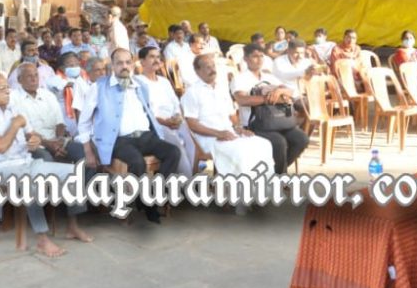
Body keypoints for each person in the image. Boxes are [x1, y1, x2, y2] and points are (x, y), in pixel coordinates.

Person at [0, 72, 91, 256]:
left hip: (26, 162)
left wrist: (34, 140)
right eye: (2, 88)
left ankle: (72, 226)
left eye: (7, 87)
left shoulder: (13, 109)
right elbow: (1, 147)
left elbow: (31, 134)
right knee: (31, 185)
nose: (7, 91)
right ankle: (42, 240)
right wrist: (15, 125)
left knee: (74, 172)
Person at [76, 48, 181, 224]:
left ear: (132, 64)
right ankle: (147, 204)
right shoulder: (98, 87)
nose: (124, 66)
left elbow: (149, 112)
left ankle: (152, 196)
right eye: (119, 63)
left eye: (127, 62)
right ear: (112, 65)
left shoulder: (140, 85)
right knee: (137, 162)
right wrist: (88, 150)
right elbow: (84, 121)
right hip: (119, 140)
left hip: (146, 136)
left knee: (173, 152)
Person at [181, 54, 275, 215]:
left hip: (229, 133)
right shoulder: (192, 93)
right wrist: (218, 133)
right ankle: (241, 201)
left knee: (263, 144)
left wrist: (239, 128)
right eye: (207, 67)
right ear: (197, 71)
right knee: (241, 153)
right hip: (208, 137)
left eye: (213, 66)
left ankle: (260, 193)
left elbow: (232, 115)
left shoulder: (221, 87)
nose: (212, 70)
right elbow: (193, 124)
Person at [232, 44, 308, 175]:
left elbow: (290, 91)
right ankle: (279, 177)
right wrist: (268, 99)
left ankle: (276, 172)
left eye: (261, 56)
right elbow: (242, 100)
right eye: (255, 56)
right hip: (254, 124)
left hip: (278, 121)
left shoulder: (268, 76)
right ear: (245, 59)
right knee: (279, 142)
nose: (259, 59)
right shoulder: (240, 78)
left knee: (301, 139)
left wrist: (279, 91)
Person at [133, 47, 196, 178]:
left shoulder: (164, 81)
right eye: (152, 57)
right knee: (177, 146)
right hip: (156, 124)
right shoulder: (138, 81)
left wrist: (177, 118)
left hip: (173, 121)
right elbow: (146, 111)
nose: (156, 60)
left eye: (158, 57)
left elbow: (176, 104)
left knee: (192, 141)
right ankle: (187, 181)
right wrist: (165, 122)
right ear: (142, 61)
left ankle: (188, 176)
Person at [11, 63, 72, 162]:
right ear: (19, 80)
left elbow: (60, 123)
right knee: (46, 159)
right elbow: (24, 132)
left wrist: (59, 140)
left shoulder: (48, 95)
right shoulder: (13, 99)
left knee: (81, 151)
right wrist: (48, 144)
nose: (34, 79)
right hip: (34, 145)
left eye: (36, 75)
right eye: (29, 76)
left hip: (56, 141)